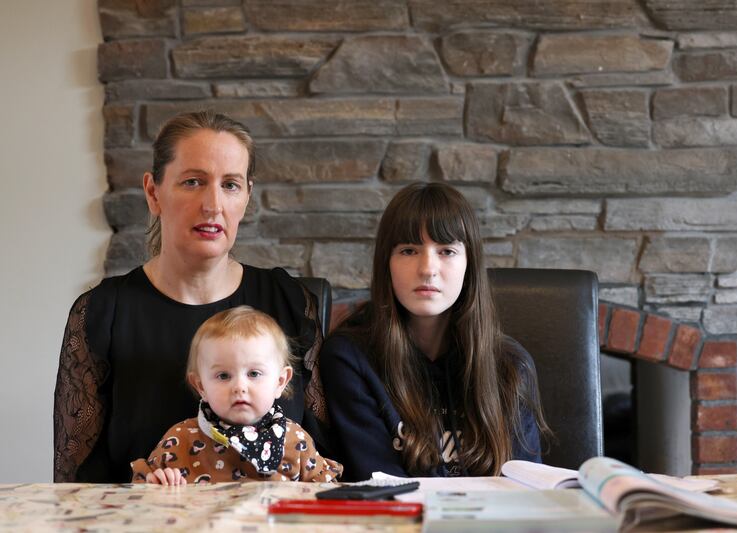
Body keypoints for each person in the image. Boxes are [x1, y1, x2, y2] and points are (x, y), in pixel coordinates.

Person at [53, 111, 328, 483]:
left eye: (230, 185)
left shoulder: (290, 304)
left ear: (247, 196)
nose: (212, 204)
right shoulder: (102, 313)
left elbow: (327, 463)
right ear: (153, 192)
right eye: (193, 181)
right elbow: (75, 485)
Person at [319, 182, 550, 481]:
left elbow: (526, 487)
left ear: (470, 265)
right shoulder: (349, 358)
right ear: (386, 263)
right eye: (409, 250)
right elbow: (381, 486)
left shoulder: (510, 365)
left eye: (447, 251)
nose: (428, 268)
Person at [131, 306, 341, 485]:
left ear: (280, 381)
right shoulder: (180, 439)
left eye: (254, 374)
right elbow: (140, 493)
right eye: (223, 375)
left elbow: (327, 496)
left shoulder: (295, 439)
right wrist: (158, 483)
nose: (239, 386)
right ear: (200, 385)